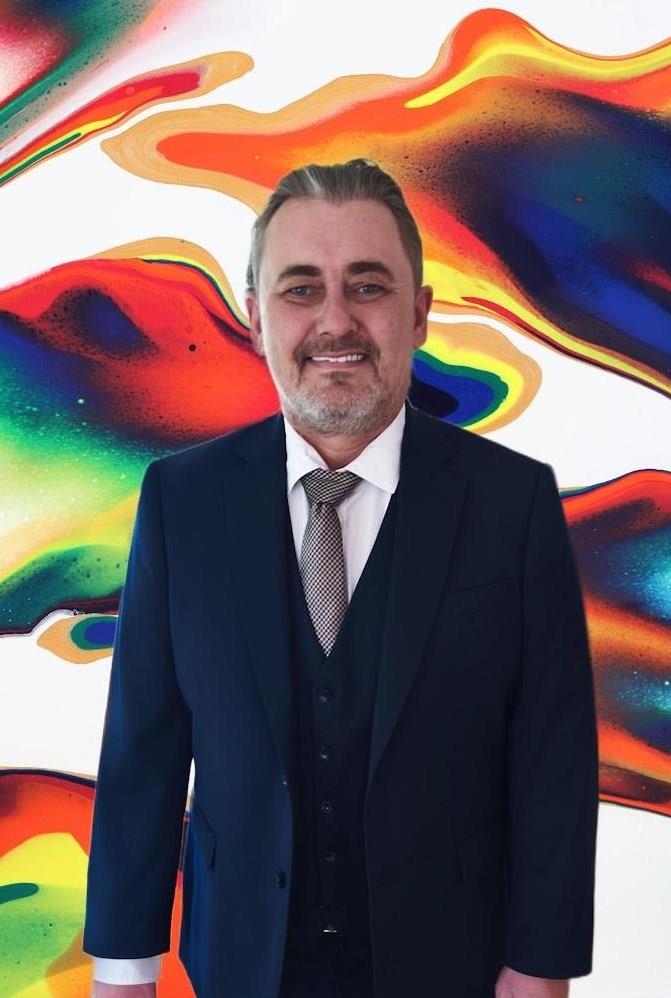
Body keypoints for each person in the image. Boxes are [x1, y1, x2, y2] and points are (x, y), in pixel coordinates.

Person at [82, 159, 599, 998]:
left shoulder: (514, 503)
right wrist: (123, 965)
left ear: (418, 313)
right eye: (300, 289)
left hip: (450, 963)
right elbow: (144, 745)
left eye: (367, 286)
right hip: (239, 958)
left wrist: (540, 964)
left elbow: (551, 756)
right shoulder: (182, 500)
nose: (335, 321)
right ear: (256, 319)